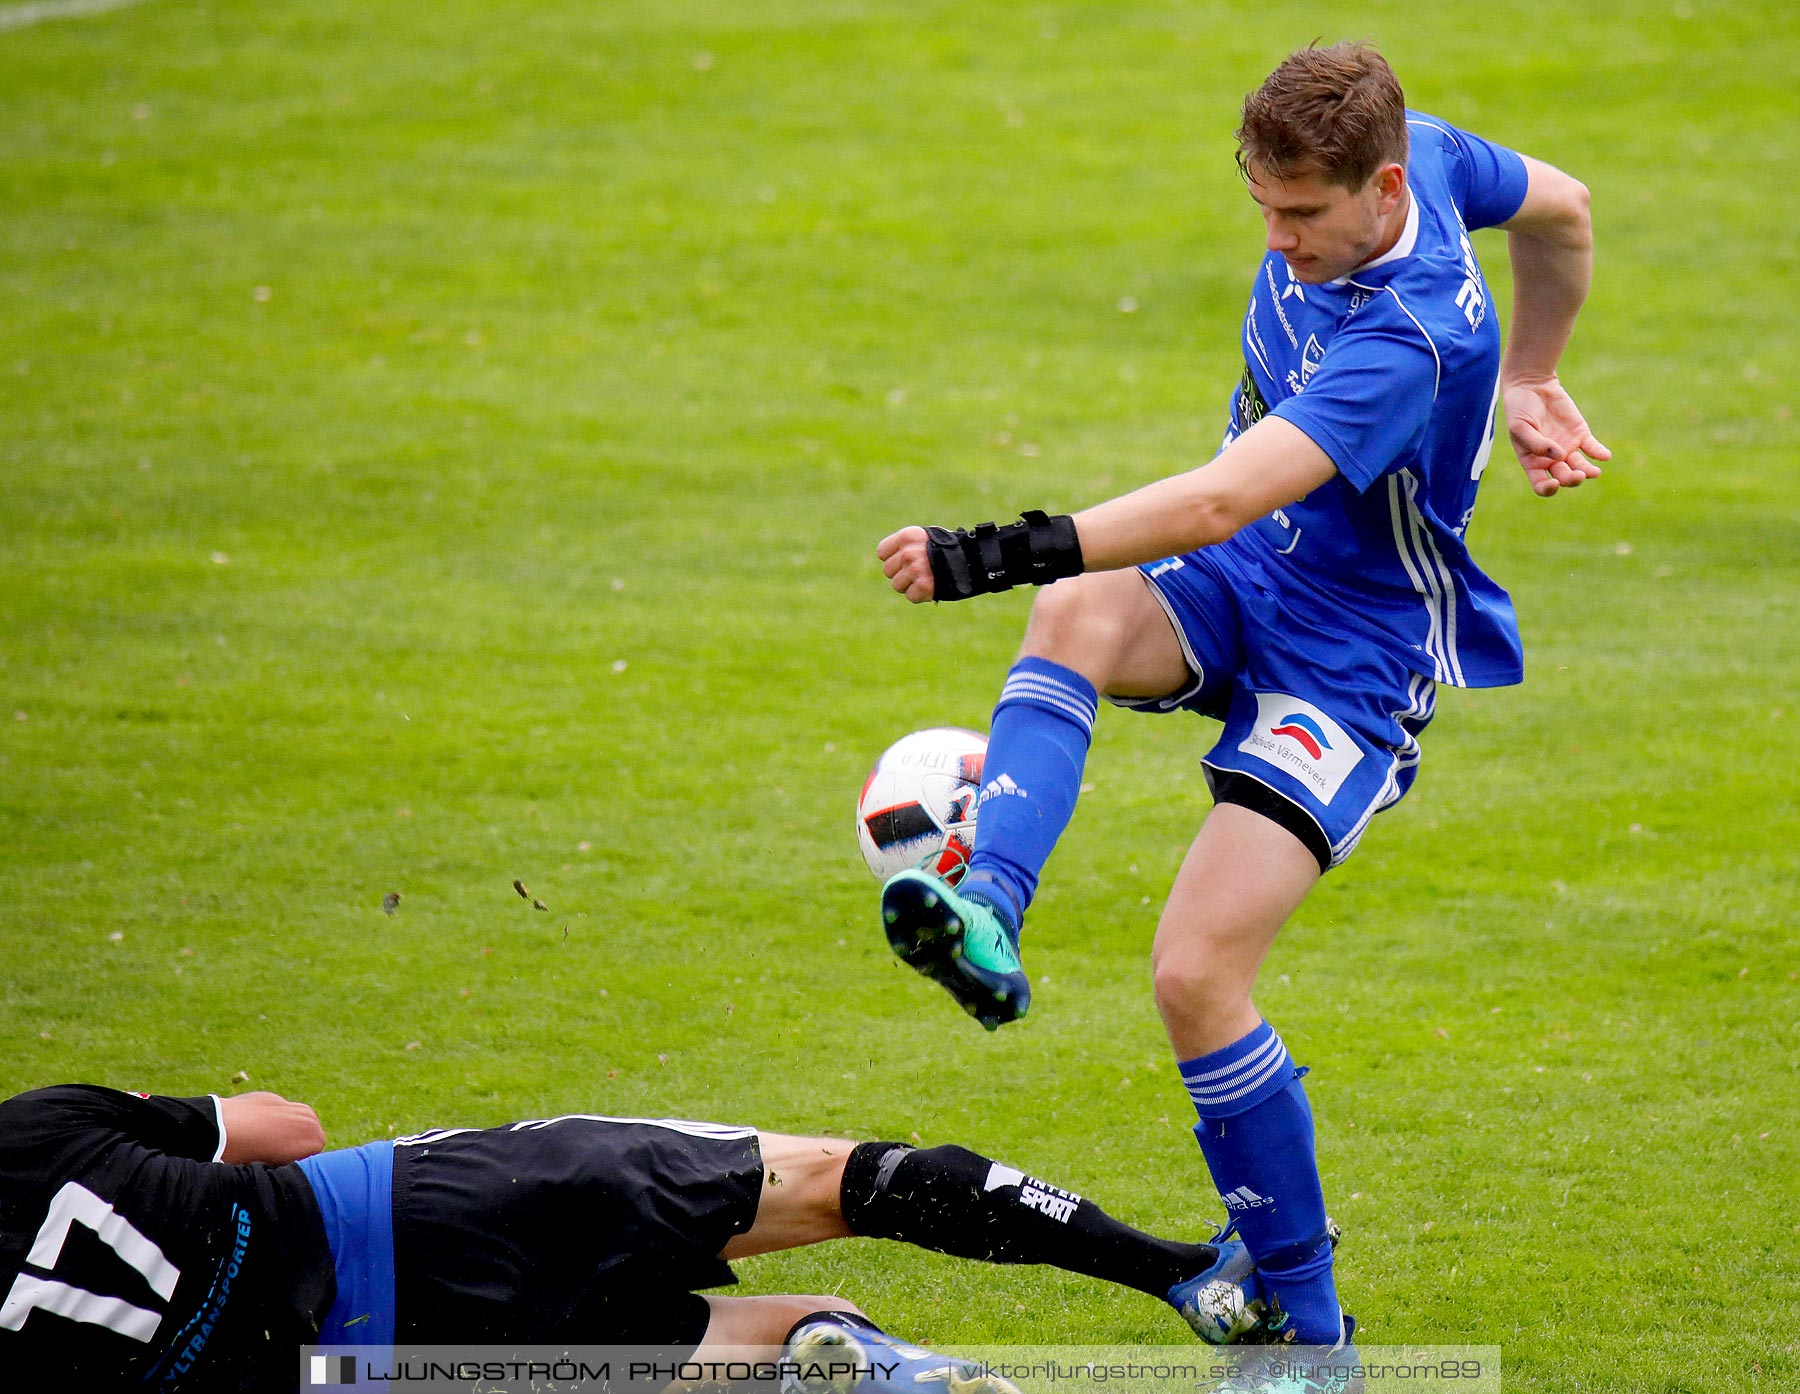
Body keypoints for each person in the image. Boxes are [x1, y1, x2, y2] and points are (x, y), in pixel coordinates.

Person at [873, 39, 1605, 1376]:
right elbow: (1565, 211)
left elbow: (1220, 493)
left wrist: (994, 546)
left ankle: (1308, 1337)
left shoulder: (1412, 335)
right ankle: (988, 909)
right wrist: (1541, 374)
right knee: (1077, 617)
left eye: (1303, 217)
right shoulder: (1429, 150)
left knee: (1196, 974)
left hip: (1352, 658)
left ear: (1382, 188)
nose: (1278, 238)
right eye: (1262, 206)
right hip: (1239, 581)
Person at [0, 1082, 1261, 1392]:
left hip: (383, 1368)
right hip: (420, 1204)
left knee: (758, 1348)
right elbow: (287, 1122)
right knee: (845, 1181)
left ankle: (865, 1360)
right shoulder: (36, 1126)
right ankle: (1185, 1275)